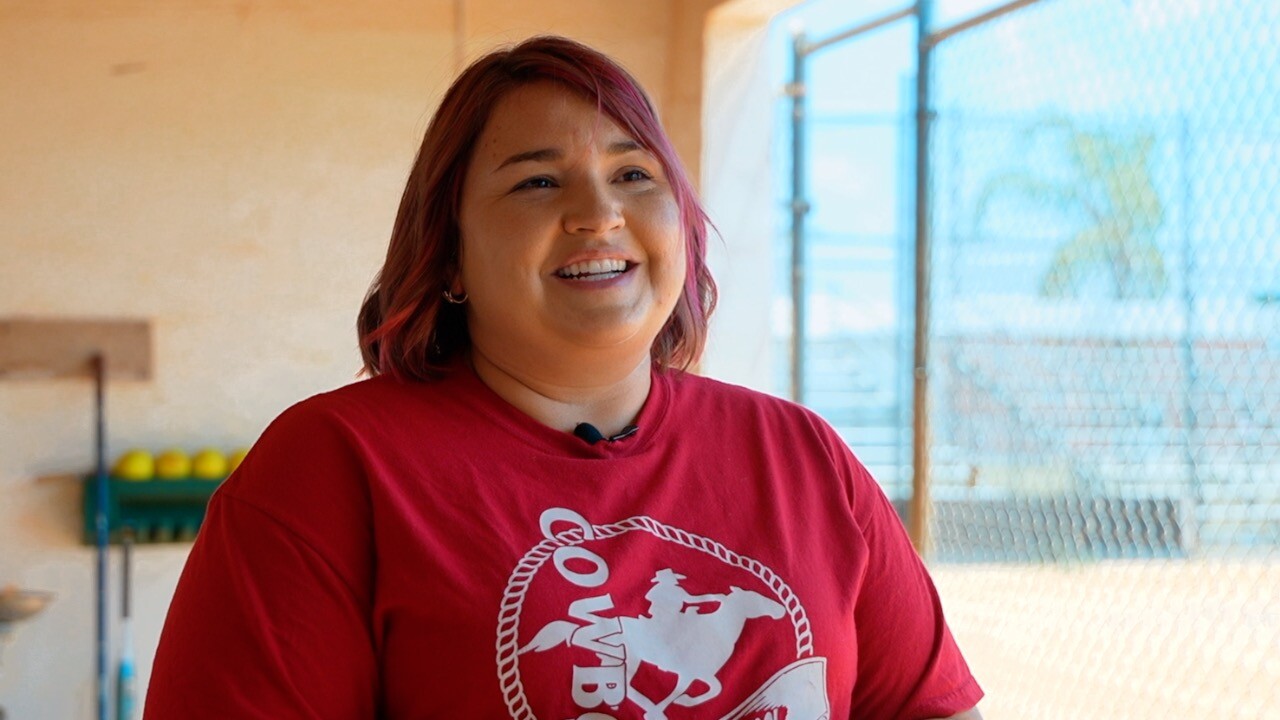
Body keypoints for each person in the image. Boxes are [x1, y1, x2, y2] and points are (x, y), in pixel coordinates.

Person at [144, 35, 984, 720]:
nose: (598, 213)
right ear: (449, 256)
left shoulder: (804, 457)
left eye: (633, 175)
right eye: (538, 181)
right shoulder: (329, 468)